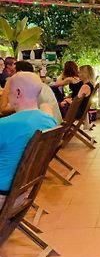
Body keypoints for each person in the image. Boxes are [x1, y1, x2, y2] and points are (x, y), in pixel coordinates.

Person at [0, 72, 57, 209]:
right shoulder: (49, 121)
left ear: (18, 92)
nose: (7, 96)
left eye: (9, 91)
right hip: (21, 193)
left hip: (3, 196)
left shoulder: (5, 125)